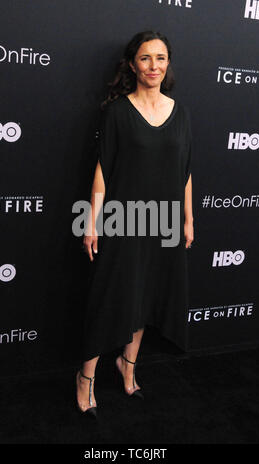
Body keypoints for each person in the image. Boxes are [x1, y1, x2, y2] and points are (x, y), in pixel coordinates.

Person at [76, 30, 194, 417]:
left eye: (160, 58)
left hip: (164, 224)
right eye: (145, 58)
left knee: (146, 298)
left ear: (168, 63)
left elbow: (186, 173)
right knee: (109, 300)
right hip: (123, 221)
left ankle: (128, 370)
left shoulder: (181, 112)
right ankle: (86, 378)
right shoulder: (116, 112)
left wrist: (188, 220)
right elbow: (102, 172)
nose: (153, 66)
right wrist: (91, 222)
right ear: (132, 64)